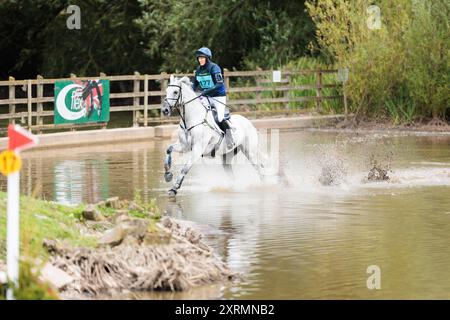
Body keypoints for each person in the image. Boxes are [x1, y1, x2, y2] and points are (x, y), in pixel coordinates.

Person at [192, 47, 235, 148]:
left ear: (207, 58)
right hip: (206, 97)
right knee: (199, 115)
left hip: (218, 97)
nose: (200, 60)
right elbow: (194, 85)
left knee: (219, 118)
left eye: (202, 58)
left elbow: (219, 83)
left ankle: (230, 138)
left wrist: (206, 91)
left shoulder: (214, 68)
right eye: (199, 58)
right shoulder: (198, 70)